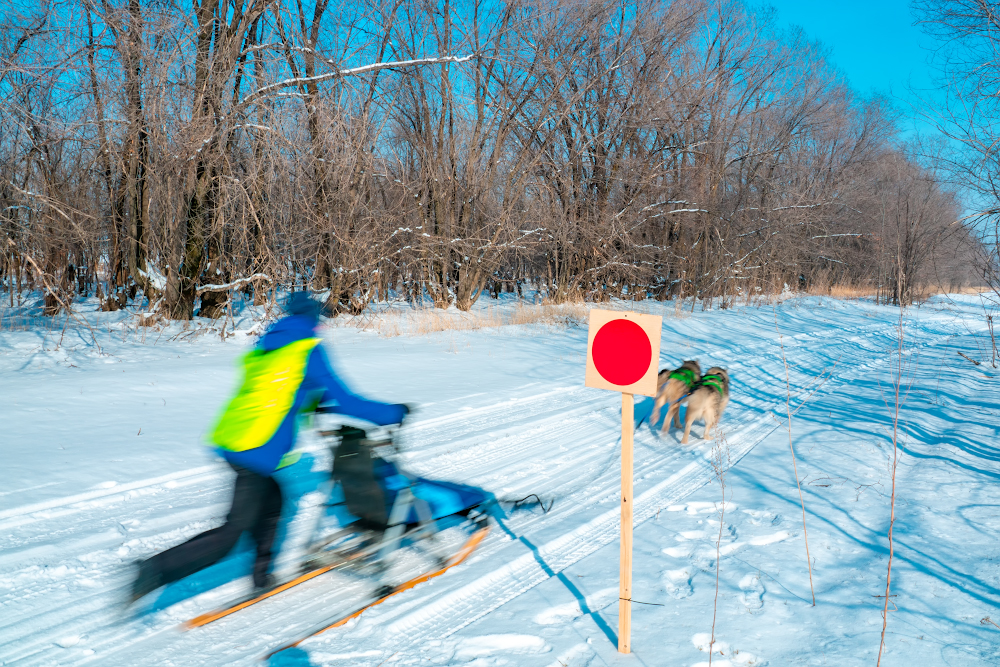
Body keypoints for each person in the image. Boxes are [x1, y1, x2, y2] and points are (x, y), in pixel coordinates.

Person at [130, 292, 408, 603]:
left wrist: (311, 403)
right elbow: (345, 399)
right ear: (313, 319)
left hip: (232, 436)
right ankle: (153, 569)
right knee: (231, 533)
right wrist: (392, 413)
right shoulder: (308, 348)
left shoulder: (270, 344)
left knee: (274, 502)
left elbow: (282, 388)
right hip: (256, 446)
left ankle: (262, 576)